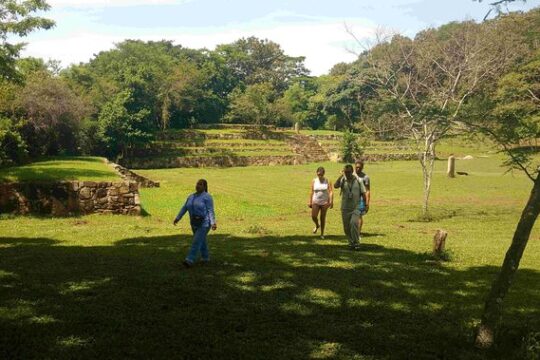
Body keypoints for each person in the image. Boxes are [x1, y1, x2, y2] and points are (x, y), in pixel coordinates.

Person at [173, 179, 217, 268]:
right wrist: (178, 218)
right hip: (194, 222)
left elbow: (210, 210)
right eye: (197, 184)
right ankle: (205, 257)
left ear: (204, 187)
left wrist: (213, 223)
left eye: (200, 184)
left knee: (196, 241)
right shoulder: (191, 196)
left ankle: (189, 260)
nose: (197, 186)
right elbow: (184, 208)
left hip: (204, 223)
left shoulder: (207, 197)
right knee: (202, 241)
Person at [334, 164, 367, 250]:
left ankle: (356, 243)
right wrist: (341, 175)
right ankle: (351, 242)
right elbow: (335, 185)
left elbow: (363, 193)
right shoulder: (343, 180)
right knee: (346, 227)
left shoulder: (358, 180)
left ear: (352, 172)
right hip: (345, 207)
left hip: (355, 207)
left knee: (354, 224)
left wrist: (366, 205)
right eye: (346, 172)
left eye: (349, 172)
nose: (347, 174)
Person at [308, 166, 333, 239]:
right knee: (314, 216)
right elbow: (311, 191)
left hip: (325, 202)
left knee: (322, 217)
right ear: (316, 173)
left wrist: (331, 201)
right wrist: (309, 201)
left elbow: (331, 191)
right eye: (318, 174)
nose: (320, 176)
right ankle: (317, 225)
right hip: (315, 201)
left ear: (324, 173)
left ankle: (322, 233)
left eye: (321, 174)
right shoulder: (314, 181)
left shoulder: (327, 181)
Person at [354, 159, 371, 234]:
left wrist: (367, 202)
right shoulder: (351, 175)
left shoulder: (365, 177)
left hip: (361, 198)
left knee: (359, 215)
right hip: (352, 199)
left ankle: (358, 233)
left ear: (362, 168)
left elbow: (367, 190)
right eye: (356, 167)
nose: (358, 169)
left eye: (360, 168)